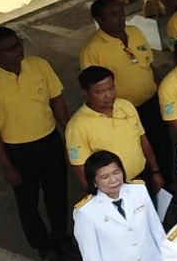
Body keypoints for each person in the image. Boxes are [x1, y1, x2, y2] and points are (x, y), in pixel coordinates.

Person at [0, 26, 77, 261]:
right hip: (17, 151)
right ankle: (44, 247)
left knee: (57, 193)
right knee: (27, 202)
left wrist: (70, 135)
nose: (17, 52)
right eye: (8, 49)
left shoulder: (39, 66)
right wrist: (6, 165)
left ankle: (61, 238)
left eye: (18, 45)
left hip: (49, 141)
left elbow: (57, 102)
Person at [80, 0, 164, 172]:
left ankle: (166, 182)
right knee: (136, 150)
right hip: (122, 112)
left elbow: (150, 65)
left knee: (161, 144)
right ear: (99, 19)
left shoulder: (135, 32)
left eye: (121, 12)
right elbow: (92, 86)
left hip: (152, 101)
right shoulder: (92, 50)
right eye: (113, 14)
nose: (120, 18)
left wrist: (161, 91)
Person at [67, 67, 163, 201]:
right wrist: (96, 196)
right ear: (86, 93)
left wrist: (155, 171)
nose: (108, 95)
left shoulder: (126, 106)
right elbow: (80, 166)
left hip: (141, 180)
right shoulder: (77, 126)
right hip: (111, 190)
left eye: (111, 88)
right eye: (100, 92)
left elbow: (143, 140)